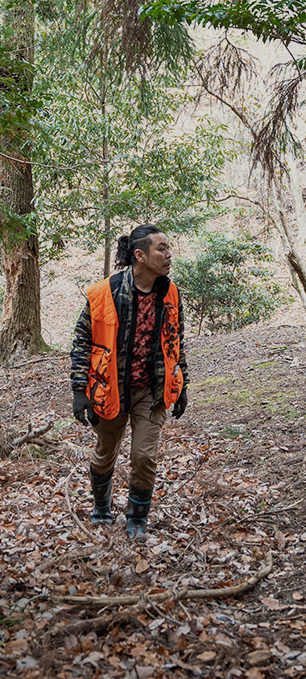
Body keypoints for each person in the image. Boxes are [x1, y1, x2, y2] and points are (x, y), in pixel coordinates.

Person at [70, 224, 188, 538]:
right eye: (161, 248)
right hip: (109, 388)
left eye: (168, 247)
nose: (168, 254)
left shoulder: (170, 292)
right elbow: (82, 340)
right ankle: (102, 505)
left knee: (144, 455)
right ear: (140, 255)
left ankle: (137, 517)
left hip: (152, 389)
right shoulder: (104, 293)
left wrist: (183, 383)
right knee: (104, 452)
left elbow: (175, 342)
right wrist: (79, 389)